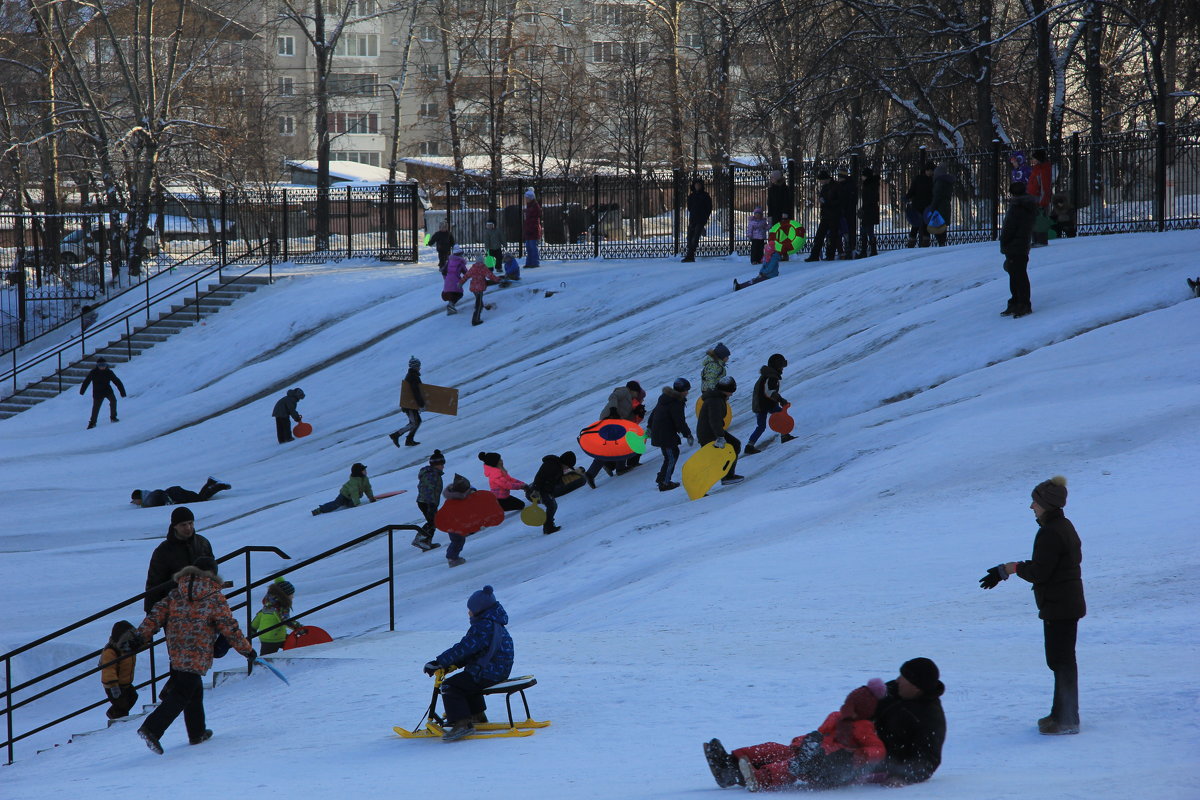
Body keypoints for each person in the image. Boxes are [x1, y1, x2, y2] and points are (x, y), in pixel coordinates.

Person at [979, 476, 1084, 736]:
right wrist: (1008, 570)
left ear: (1046, 504)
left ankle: (1068, 719)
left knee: (1061, 662)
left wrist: (1010, 569)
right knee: (1062, 662)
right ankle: (1061, 714)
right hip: (1065, 603)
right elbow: (1047, 566)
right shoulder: (1063, 526)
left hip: (1059, 605)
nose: (1031, 507)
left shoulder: (1051, 532)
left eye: (1035, 502)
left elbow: (1040, 572)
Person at [126, 556, 257, 754]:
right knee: (181, 693)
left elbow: (155, 616)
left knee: (193, 692)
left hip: (176, 649)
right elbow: (229, 628)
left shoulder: (175, 593)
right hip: (197, 651)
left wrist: (140, 636)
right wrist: (247, 650)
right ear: (212, 573)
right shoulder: (214, 596)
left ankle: (197, 732)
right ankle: (152, 728)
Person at [704, 679, 888, 791]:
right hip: (807, 753)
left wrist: (858, 755)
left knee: (790, 767)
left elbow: (877, 750)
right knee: (774, 748)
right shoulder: (836, 717)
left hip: (830, 768)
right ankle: (728, 763)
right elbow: (819, 734)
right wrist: (804, 743)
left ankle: (759, 779)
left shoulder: (865, 728)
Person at [422, 585, 515, 741]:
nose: (468, 612)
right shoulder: (493, 623)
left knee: (450, 686)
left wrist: (440, 662)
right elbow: (475, 651)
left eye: (470, 609)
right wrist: (453, 664)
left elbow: (464, 648)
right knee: (467, 680)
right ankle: (477, 715)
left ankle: (462, 724)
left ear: (479, 610)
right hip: (497, 669)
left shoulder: (483, 626)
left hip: (490, 671)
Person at [144, 507, 214, 612]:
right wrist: (151, 611)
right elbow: (154, 583)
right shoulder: (163, 551)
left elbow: (212, 571)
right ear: (175, 526)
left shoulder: (203, 543)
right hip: (176, 608)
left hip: (204, 604)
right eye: (183, 525)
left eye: (190, 523)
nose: (188, 528)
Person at [584, 380, 648, 483]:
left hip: (614, 423)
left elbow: (628, 421)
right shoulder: (624, 391)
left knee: (614, 446)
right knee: (618, 445)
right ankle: (618, 469)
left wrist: (637, 414)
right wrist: (613, 409)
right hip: (608, 420)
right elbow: (613, 397)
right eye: (636, 393)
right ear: (632, 390)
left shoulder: (629, 401)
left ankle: (592, 473)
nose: (636, 396)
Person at [998, 181, 1039, 318]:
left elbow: (1010, 228)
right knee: (1016, 274)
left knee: (1018, 276)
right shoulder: (1027, 205)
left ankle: (1022, 303)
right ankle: (1017, 301)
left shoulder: (1017, 207)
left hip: (1015, 246)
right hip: (1021, 245)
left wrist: (1004, 241)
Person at [647, 377, 694, 491]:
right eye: (686, 390)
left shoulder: (666, 398)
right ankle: (664, 483)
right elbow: (679, 421)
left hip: (662, 432)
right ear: (681, 391)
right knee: (671, 456)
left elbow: (654, 412)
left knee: (672, 454)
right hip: (664, 433)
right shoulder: (676, 402)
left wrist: (649, 426)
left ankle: (662, 478)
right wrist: (687, 434)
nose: (687, 392)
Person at [697, 375, 744, 485]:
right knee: (728, 449)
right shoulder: (715, 400)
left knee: (734, 445)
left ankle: (728, 476)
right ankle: (724, 477)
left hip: (711, 431)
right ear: (726, 390)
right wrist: (720, 437)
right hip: (708, 434)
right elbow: (714, 420)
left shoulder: (718, 398)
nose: (732, 394)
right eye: (731, 391)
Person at [746, 353, 792, 455]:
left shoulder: (769, 375)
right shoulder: (771, 377)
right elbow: (769, 392)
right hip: (763, 405)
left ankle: (784, 435)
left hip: (765, 403)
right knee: (765, 424)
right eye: (781, 366)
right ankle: (749, 446)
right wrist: (780, 399)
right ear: (777, 366)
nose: (782, 369)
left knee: (777, 418)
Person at [249, 577, 303, 655]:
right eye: (291, 594)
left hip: (270, 636)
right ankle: (261, 666)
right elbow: (286, 621)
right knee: (267, 658)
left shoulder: (268, 605)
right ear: (285, 595)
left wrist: (252, 629)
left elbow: (258, 617)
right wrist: (299, 628)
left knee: (294, 642)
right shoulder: (280, 607)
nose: (293, 597)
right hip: (273, 638)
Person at [100, 620, 138, 724]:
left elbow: (140, 644)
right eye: (126, 640)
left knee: (133, 697)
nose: (129, 642)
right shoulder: (111, 651)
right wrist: (113, 686)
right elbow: (108, 670)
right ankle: (119, 723)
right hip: (113, 686)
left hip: (125, 683)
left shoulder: (128, 647)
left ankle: (113, 713)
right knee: (122, 706)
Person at [311, 462, 376, 515]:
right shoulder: (354, 481)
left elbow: (368, 489)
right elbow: (354, 492)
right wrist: (358, 504)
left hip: (352, 497)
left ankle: (346, 503)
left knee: (352, 504)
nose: (366, 471)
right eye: (364, 470)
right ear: (359, 472)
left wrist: (371, 498)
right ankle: (320, 509)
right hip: (344, 495)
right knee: (336, 504)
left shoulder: (365, 479)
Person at [80, 356, 126, 429]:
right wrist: (82, 391)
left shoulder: (109, 372)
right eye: (100, 365)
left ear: (106, 365)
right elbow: (86, 381)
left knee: (113, 401)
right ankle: (92, 423)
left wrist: (122, 392)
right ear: (97, 366)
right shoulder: (93, 372)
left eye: (103, 365)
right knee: (96, 408)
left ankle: (113, 417)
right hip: (97, 393)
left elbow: (117, 381)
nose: (102, 367)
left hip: (108, 391)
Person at [414, 449, 446, 551]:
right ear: (436, 464)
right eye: (441, 464)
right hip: (427, 502)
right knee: (432, 521)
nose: (443, 466)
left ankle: (426, 542)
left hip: (426, 501)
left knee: (433, 521)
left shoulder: (432, 473)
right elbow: (429, 489)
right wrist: (431, 504)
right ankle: (420, 540)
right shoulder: (432, 475)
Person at [389, 356, 424, 447]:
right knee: (415, 422)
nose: (420, 367)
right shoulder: (413, 377)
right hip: (410, 405)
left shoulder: (412, 375)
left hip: (410, 404)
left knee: (417, 421)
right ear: (414, 366)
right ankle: (396, 435)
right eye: (418, 365)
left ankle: (409, 439)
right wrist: (421, 404)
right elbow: (415, 391)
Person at [805, 171, 840, 262]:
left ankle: (830, 254)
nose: (820, 182)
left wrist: (827, 202)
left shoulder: (835, 186)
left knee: (832, 236)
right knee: (819, 236)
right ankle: (814, 255)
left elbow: (839, 201)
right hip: (825, 214)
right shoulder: (825, 187)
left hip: (833, 214)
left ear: (825, 179)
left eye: (821, 180)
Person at [442, 473, 475, 567]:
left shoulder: (454, 497)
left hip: (453, 523)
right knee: (458, 540)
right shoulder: (456, 501)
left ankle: (452, 557)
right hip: (452, 524)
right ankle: (452, 558)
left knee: (458, 540)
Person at [527, 454, 564, 535]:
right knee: (552, 506)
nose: (567, 468)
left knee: (552, 506)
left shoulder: (557, 467)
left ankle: (548, 526)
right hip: (540, 489)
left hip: (546, 490)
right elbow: (539, 476)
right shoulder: (551, 465)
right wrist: (536, 489)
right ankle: (548, 527)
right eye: (567, 466)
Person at [131, 477, 231, 508]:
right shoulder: (147, 498)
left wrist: (169, 501)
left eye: (134, 500)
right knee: (199, 498)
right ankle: (211, 482)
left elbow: (159, 492)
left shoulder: (149, 499)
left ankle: (219, 485)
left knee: (200, 499)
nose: (135, 503)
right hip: (175, 492)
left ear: (139, 498)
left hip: (176, 495)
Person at [461, 259, 502, 326]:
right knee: (478, 305)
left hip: (474, 287)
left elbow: (466, 276)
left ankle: (479, 312)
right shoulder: (483, 268)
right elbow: (490, 276)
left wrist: (461, 283)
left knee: (479, 301)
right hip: (479, 288)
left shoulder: (473, 267)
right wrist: (498, 279)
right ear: (482, 261)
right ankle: (475, 320)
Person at [904, 163, 935, 248]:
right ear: (927, 170)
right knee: (916, 224)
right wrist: (907, 197)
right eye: (931, 171)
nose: (932, 173)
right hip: (918, 205)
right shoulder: (919, 179)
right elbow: (912, 190)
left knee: (925, 223)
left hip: (926, 205)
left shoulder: (932, 180)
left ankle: (925, 242)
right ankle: (912, 242)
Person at [682, 178, 712, 263]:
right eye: (696, 185)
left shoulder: (705, 196)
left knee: (695, 238)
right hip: (693, 219)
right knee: (689, 237)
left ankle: (690, 256)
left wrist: (705, 217)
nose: (697, 186)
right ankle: (690, 255)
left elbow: (709, 208)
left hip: (701, 219)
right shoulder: (691, 196)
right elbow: (690, 207)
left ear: (701, 186)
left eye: (699, 185)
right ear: (694, 186)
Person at [1028, 149, 1053, 247]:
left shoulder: (1043, 169)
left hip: (1039, 199)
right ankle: (1036, 240)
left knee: (1040, 220)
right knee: (1034, 220)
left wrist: (1043, 202)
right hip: (1033, 197)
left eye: (1034, 158)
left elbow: (1045, 187)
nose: (1032, 160)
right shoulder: (1037, 169)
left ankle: (1041, 240)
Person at [927, 163, 954, 246]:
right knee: (942, 226)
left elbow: (937, 196)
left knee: (937, 226)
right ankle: (942, 242)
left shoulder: (940, 182)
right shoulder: (947, 182)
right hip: (945, 206)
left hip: (939, 207)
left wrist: (931, 209)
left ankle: (941, 243)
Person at [856, 166, 880, 258]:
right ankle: (867, 250)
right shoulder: (870, 184)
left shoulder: (870, 185)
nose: (861, 177)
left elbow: (871, 198)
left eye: (863, 175)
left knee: (868, 230)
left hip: (869, 210)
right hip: (869, 210)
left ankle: (868, 251)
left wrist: (864, 208)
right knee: (865, 230)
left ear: (866, 176)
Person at [836, 169, 858, 259]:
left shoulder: (849, 186)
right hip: (842, 212)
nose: (839, 179)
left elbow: (851, 200)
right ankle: (844, 251)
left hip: (848, 212)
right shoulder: (841, 186)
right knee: (843, 232)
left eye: (840, 177)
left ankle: (849, 250)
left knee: (848, 232)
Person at [765, 169, 794, 233]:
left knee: (783, 232)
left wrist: (785, 212)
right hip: (774, 214)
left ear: (777, 178)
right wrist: (769, 215)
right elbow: (769, 203)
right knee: (775, 232)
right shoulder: (771, 188)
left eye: (772, 177)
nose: (771, 179)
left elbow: (785, 201)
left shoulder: (784, 188)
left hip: (782, 214)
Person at [442, 244, 468, 314]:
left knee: (450, 293)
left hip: (448, 280)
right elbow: (466, 273)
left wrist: (446, 279)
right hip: (456, 280)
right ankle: (451, 305)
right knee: (459, 294)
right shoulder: (461, 262)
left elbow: (444, 271)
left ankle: (451, 306)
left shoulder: (449, 261)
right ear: (460, 254)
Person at [522, 189, 541, 268]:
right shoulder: (530, 206)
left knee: (532, 247)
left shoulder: (535, 206)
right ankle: (529, 262)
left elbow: (535, 218)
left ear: (530, 198)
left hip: (533, 229)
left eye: (527, 198)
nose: (525, 199)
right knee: (529, 247)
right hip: (529, 229)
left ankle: (534, 263)